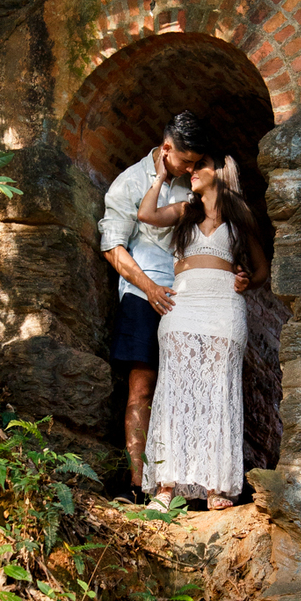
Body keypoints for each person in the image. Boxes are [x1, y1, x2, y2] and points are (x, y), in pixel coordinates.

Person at [137, 151, 268, 510]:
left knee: (217, 391)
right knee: (174, 390)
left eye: (200, 167)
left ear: (220, 173)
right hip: (185, 305)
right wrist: (161, 177)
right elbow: (146, 214)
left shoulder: (239, 219)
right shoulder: (184, 211)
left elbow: (261, 270)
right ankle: (166, 487)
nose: (191, 172)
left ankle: (215, 487)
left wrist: (246, 281)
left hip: (224, 308)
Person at [99, 112, 213, 499]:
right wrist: (148, 287)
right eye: (186, 161)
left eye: (197, 162)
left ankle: (183, 485)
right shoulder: (129, 182)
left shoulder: (197, 181)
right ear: (167, 149)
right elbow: (112, 246)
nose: (192, 168)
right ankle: (137, 485)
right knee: (143, 388)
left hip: (190, 296)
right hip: (143, 295)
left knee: (188, 390)